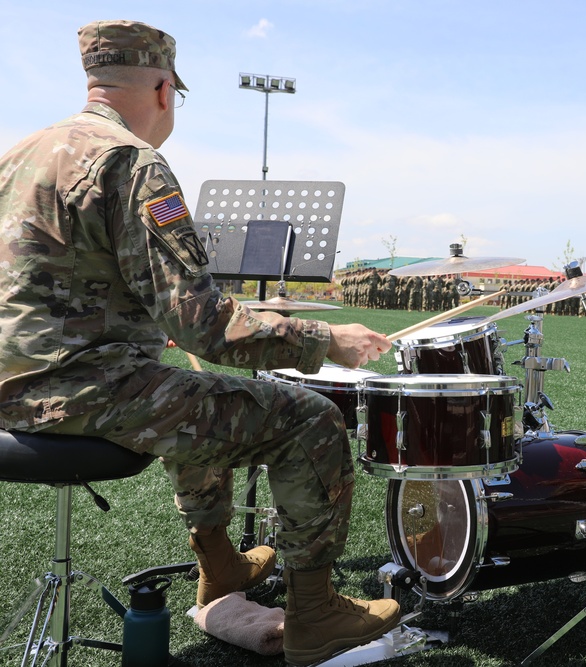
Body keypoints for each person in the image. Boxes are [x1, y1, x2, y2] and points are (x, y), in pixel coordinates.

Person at [0, 20, 398, 665]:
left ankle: (221, 566)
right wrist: (327, 338)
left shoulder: (18, 155)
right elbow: (203, 325)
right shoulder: (130, 161)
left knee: (195, 394)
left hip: (11, 392)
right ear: (164, 90)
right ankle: (317, 613)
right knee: (310, 418)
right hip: (85, 394)